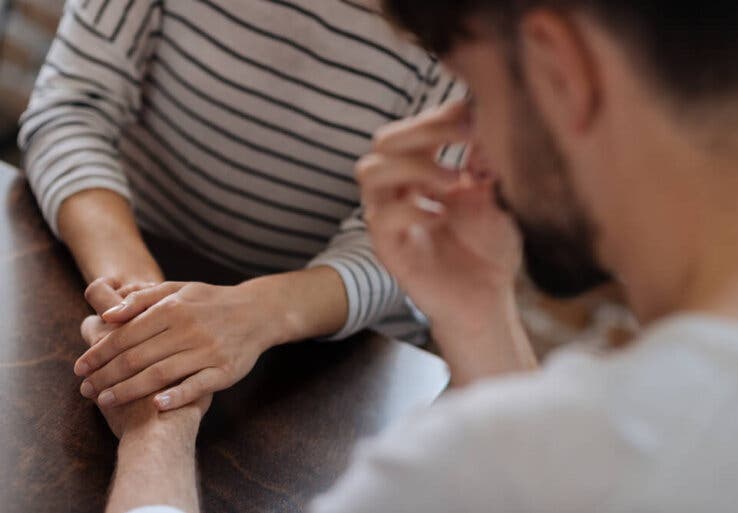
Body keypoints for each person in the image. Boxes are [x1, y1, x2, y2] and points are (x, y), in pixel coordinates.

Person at [95, 0, 738, 512]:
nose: (474, 145)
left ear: (561, 72)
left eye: (473, 93)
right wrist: (480, 317)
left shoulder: (468, 467)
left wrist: (159, 426)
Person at [18, 0, 463, 411]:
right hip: (125, 263)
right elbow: (70, 111)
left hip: (332, 348)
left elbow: (406, 237)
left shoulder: (465, 22)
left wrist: (258, 313)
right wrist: (138, 298)